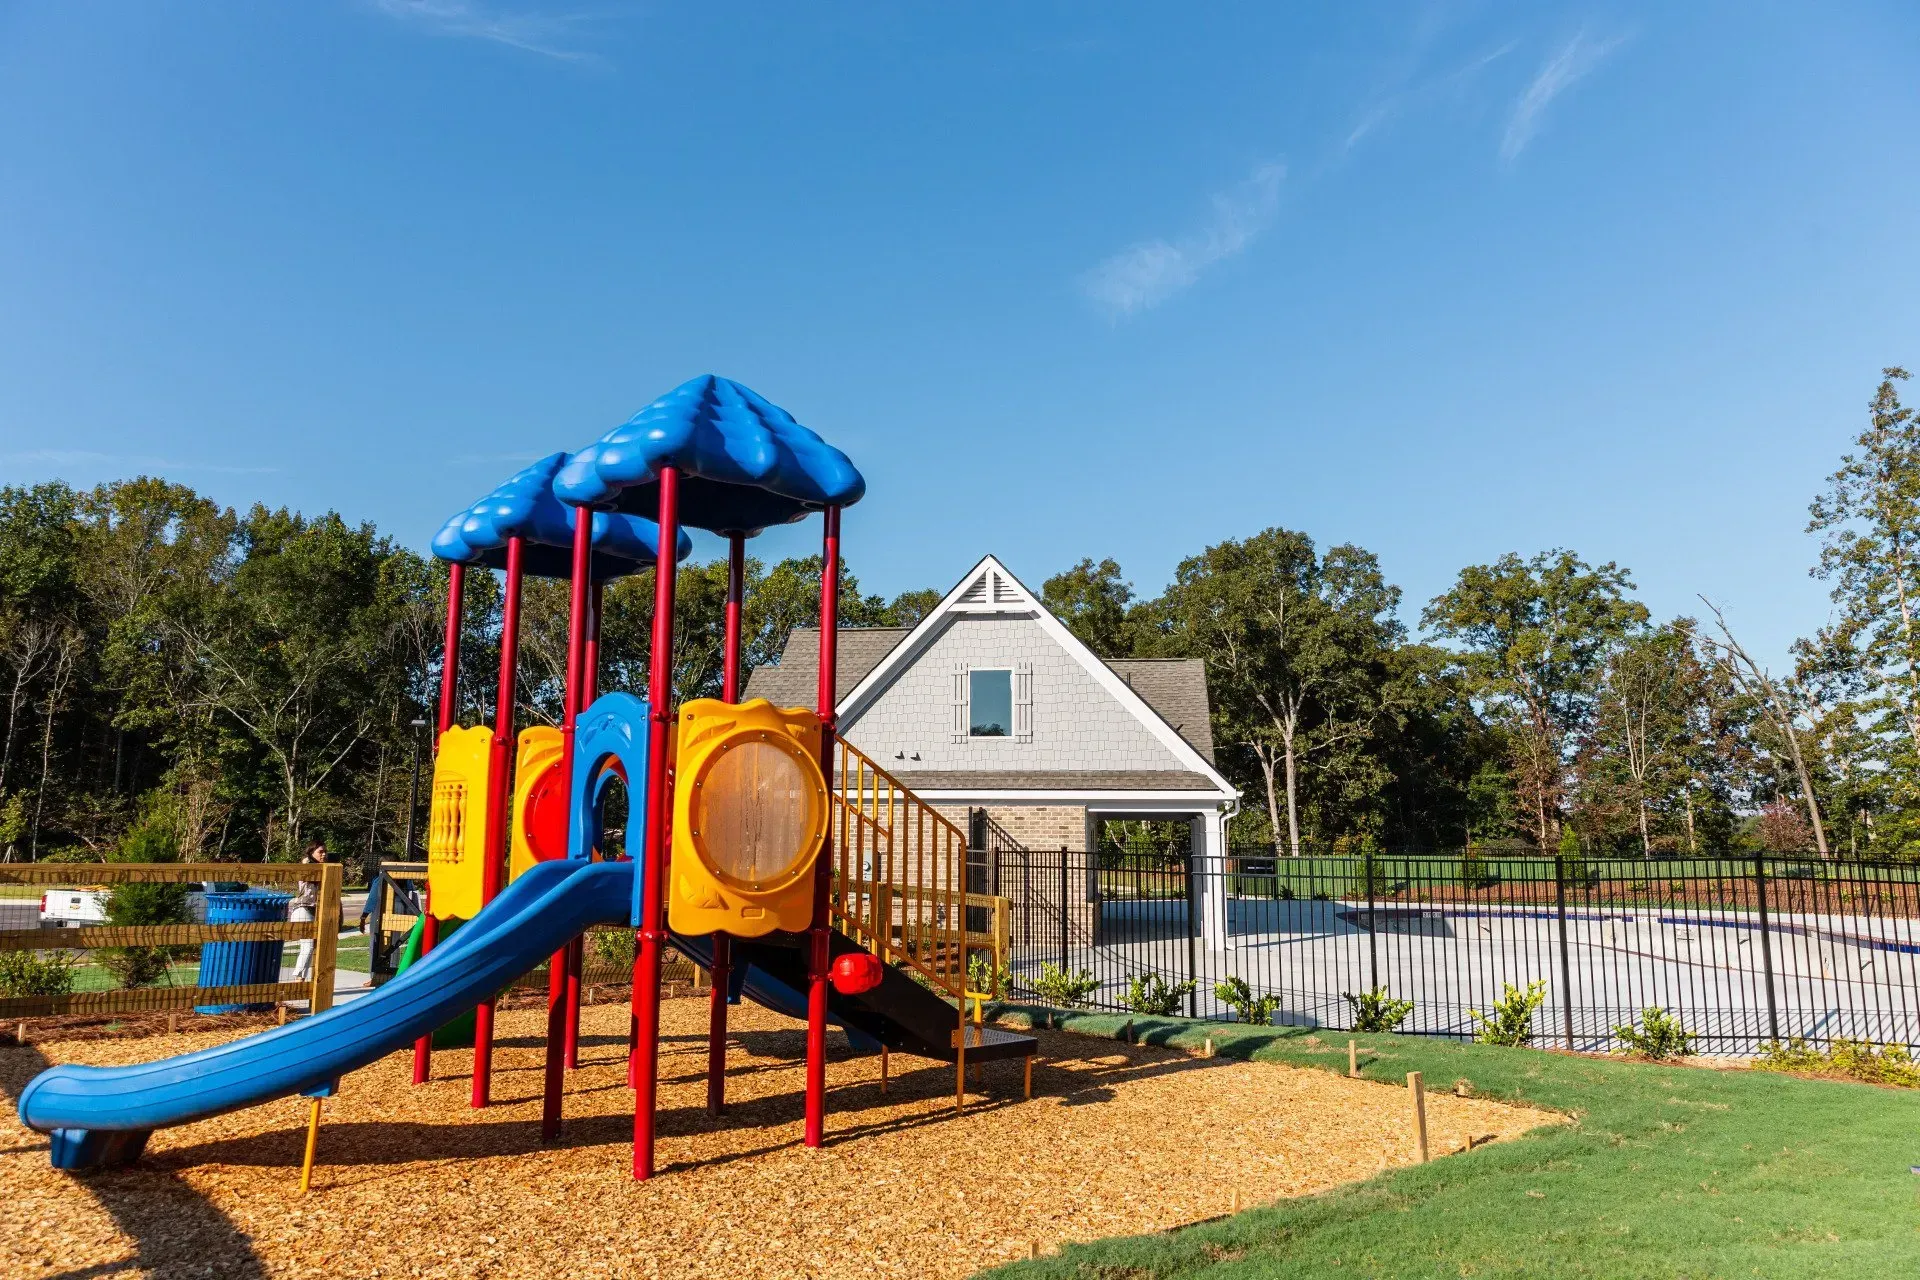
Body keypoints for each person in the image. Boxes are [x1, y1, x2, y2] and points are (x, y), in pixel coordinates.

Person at [290, 841, 328, 982]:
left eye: (325, 852)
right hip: (302, 909)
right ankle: (299, 979)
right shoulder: (307, 865)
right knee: (308, 946)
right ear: (311, 853)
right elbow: (306, 866)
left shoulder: (322, 867)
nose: (324, 854)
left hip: (314, 910)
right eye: (320, 852)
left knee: (311, 946)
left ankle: (304, 979)